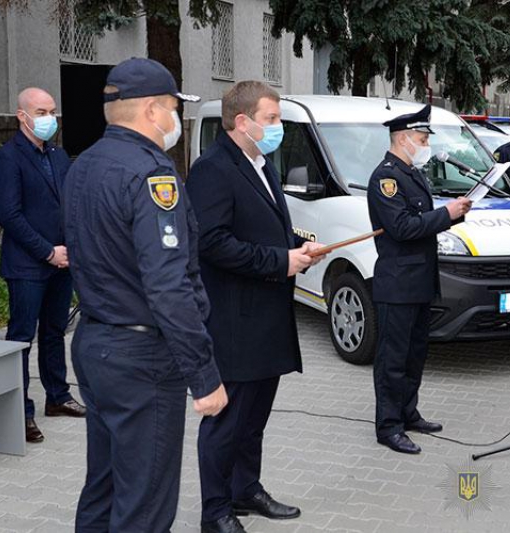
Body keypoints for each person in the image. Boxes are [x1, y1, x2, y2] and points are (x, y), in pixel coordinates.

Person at [64, 58, 227, 533]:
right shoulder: (153, 175)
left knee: (105, 484)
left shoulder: (82, 164)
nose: (177, 119)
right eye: (175, 108)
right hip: (142, 359)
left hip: (95, 345)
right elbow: (168, 284)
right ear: (154, 110)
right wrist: (204, 375)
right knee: (145, 504)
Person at [187, 81, 325, 533]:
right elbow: (213, 244)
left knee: (254, 420)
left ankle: (246, 490)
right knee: (226, 423)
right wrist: (280, 260)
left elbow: (266, 229)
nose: (278, 127)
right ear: (242, 121)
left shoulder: (260, 162)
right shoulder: (213, 169)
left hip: (267, 317)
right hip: (235, 321)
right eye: (272, 118)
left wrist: (301, 249)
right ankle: (215, 511)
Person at [367, 104, 472, 455]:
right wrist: (447, 214)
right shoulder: (386, 177)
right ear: (403, 138)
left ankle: (408, 412)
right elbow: (402, 228)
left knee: (414, 355)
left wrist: (452, 213)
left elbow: (423, 218)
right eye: (422, 137)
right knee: (392, 359)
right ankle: (388, 426)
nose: (426, 143)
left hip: (419, 280)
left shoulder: (411, 172)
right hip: (397, 284)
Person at [0, 87, 85, 444]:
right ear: (22, 116)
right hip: (29, 266)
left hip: (63, 262)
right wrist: (47, 252)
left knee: (54, 333)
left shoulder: (58, 156)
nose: (49, 119)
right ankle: (20, 411)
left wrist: (70, 248)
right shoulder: (7, 158)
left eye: (52, 111)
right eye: (41, 112)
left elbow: (69, 203)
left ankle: (57, 397)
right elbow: (11, 216)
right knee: (21, 339)